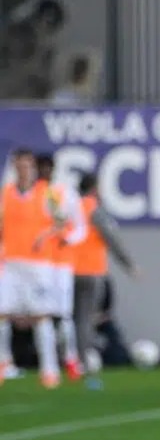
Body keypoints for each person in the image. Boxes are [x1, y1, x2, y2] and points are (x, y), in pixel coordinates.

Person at [0, 148, 67, 387]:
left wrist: (44, 235)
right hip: (11, 262)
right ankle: (3, 362)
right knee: (2, 312)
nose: (23, 169)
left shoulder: (47, 192)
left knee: (40, 315)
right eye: (19, 165)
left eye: (27, 165)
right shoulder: (6, 193)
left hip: (38, 265)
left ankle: (49, 369)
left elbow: (61, 221)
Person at [72, 172, 139, 388]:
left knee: (69, 319)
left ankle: (69, 359)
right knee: (85, 319)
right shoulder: (94, 210)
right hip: (91, 271)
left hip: (66, 271)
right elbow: (111, 239)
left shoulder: (70, 208)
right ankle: (83, 361)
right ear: (94, 188)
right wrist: (129, 265)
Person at [35, 152, 86, 380]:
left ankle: (71, 358)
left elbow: (80, 227)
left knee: (63, 314)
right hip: (35, 263)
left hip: (61, 262)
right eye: (41, 167)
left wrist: (68, 239)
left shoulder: (66, 193)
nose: (44, 171)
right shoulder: (30, 194)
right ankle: (47, 364)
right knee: (39, 314)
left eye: (48, 167)